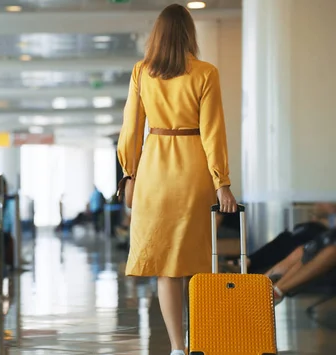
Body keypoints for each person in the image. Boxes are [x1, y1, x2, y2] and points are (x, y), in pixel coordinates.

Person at [116, 5, 237, 355]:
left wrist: (129, 174)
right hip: (193, 171)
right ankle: (203, 339)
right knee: (198, 260)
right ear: (189, 33)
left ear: (157, 35)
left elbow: (131, 130)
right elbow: (214, 132)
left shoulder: (141, 72)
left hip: (154, 172)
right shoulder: (205, 73)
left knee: (166, 267)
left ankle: (177, 347)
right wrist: (222, 181)